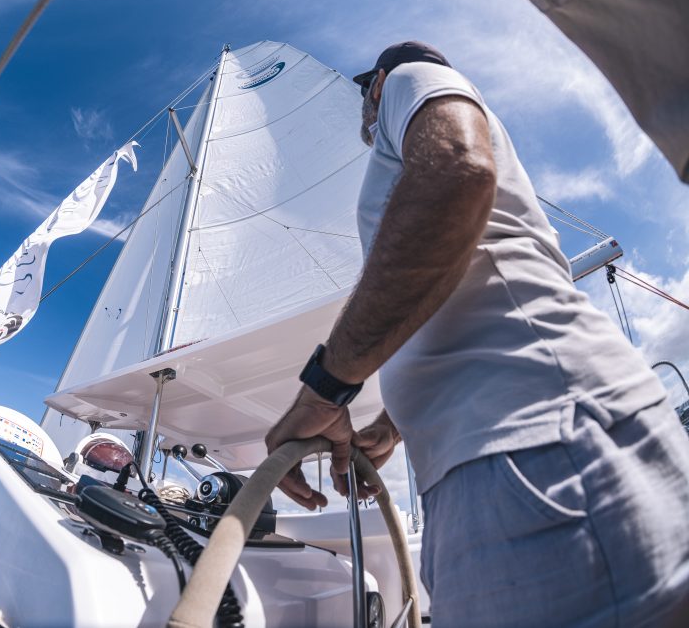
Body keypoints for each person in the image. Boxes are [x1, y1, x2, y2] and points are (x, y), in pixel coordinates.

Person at [264, 41, 689, 627]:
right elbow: (461, 289)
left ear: (379, 83)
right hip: (509, 458)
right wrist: (396, 425)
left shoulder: (411, 77)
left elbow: (457, 174)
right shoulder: (402, 123)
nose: (363, 109)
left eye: (365, 93)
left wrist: (324, 388)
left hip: (536, 445)